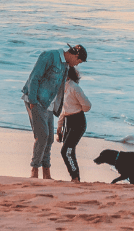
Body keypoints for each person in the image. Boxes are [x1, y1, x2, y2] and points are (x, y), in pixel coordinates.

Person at [22, 43, 88, 180]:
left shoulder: (65, 65)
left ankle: (46, 173)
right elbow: (35, 77)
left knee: (50, 138)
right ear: (75, 55)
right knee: (42, 136)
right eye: (78, 61)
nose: (76, 65)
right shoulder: (49, 56)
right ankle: (34, 171)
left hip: (49, 104)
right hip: (36, 100)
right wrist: (33, 102)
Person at [56, 66, 91, 183]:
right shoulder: (62, 87)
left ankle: (75, 177)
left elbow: (87, 105)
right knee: (69, 151)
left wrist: (78, 109)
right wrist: (59, 128)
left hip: (78, 122)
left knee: (65, 151)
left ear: (67, 75)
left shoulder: (75, 88)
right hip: (68, 122)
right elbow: (63, 110)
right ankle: (75, 178)